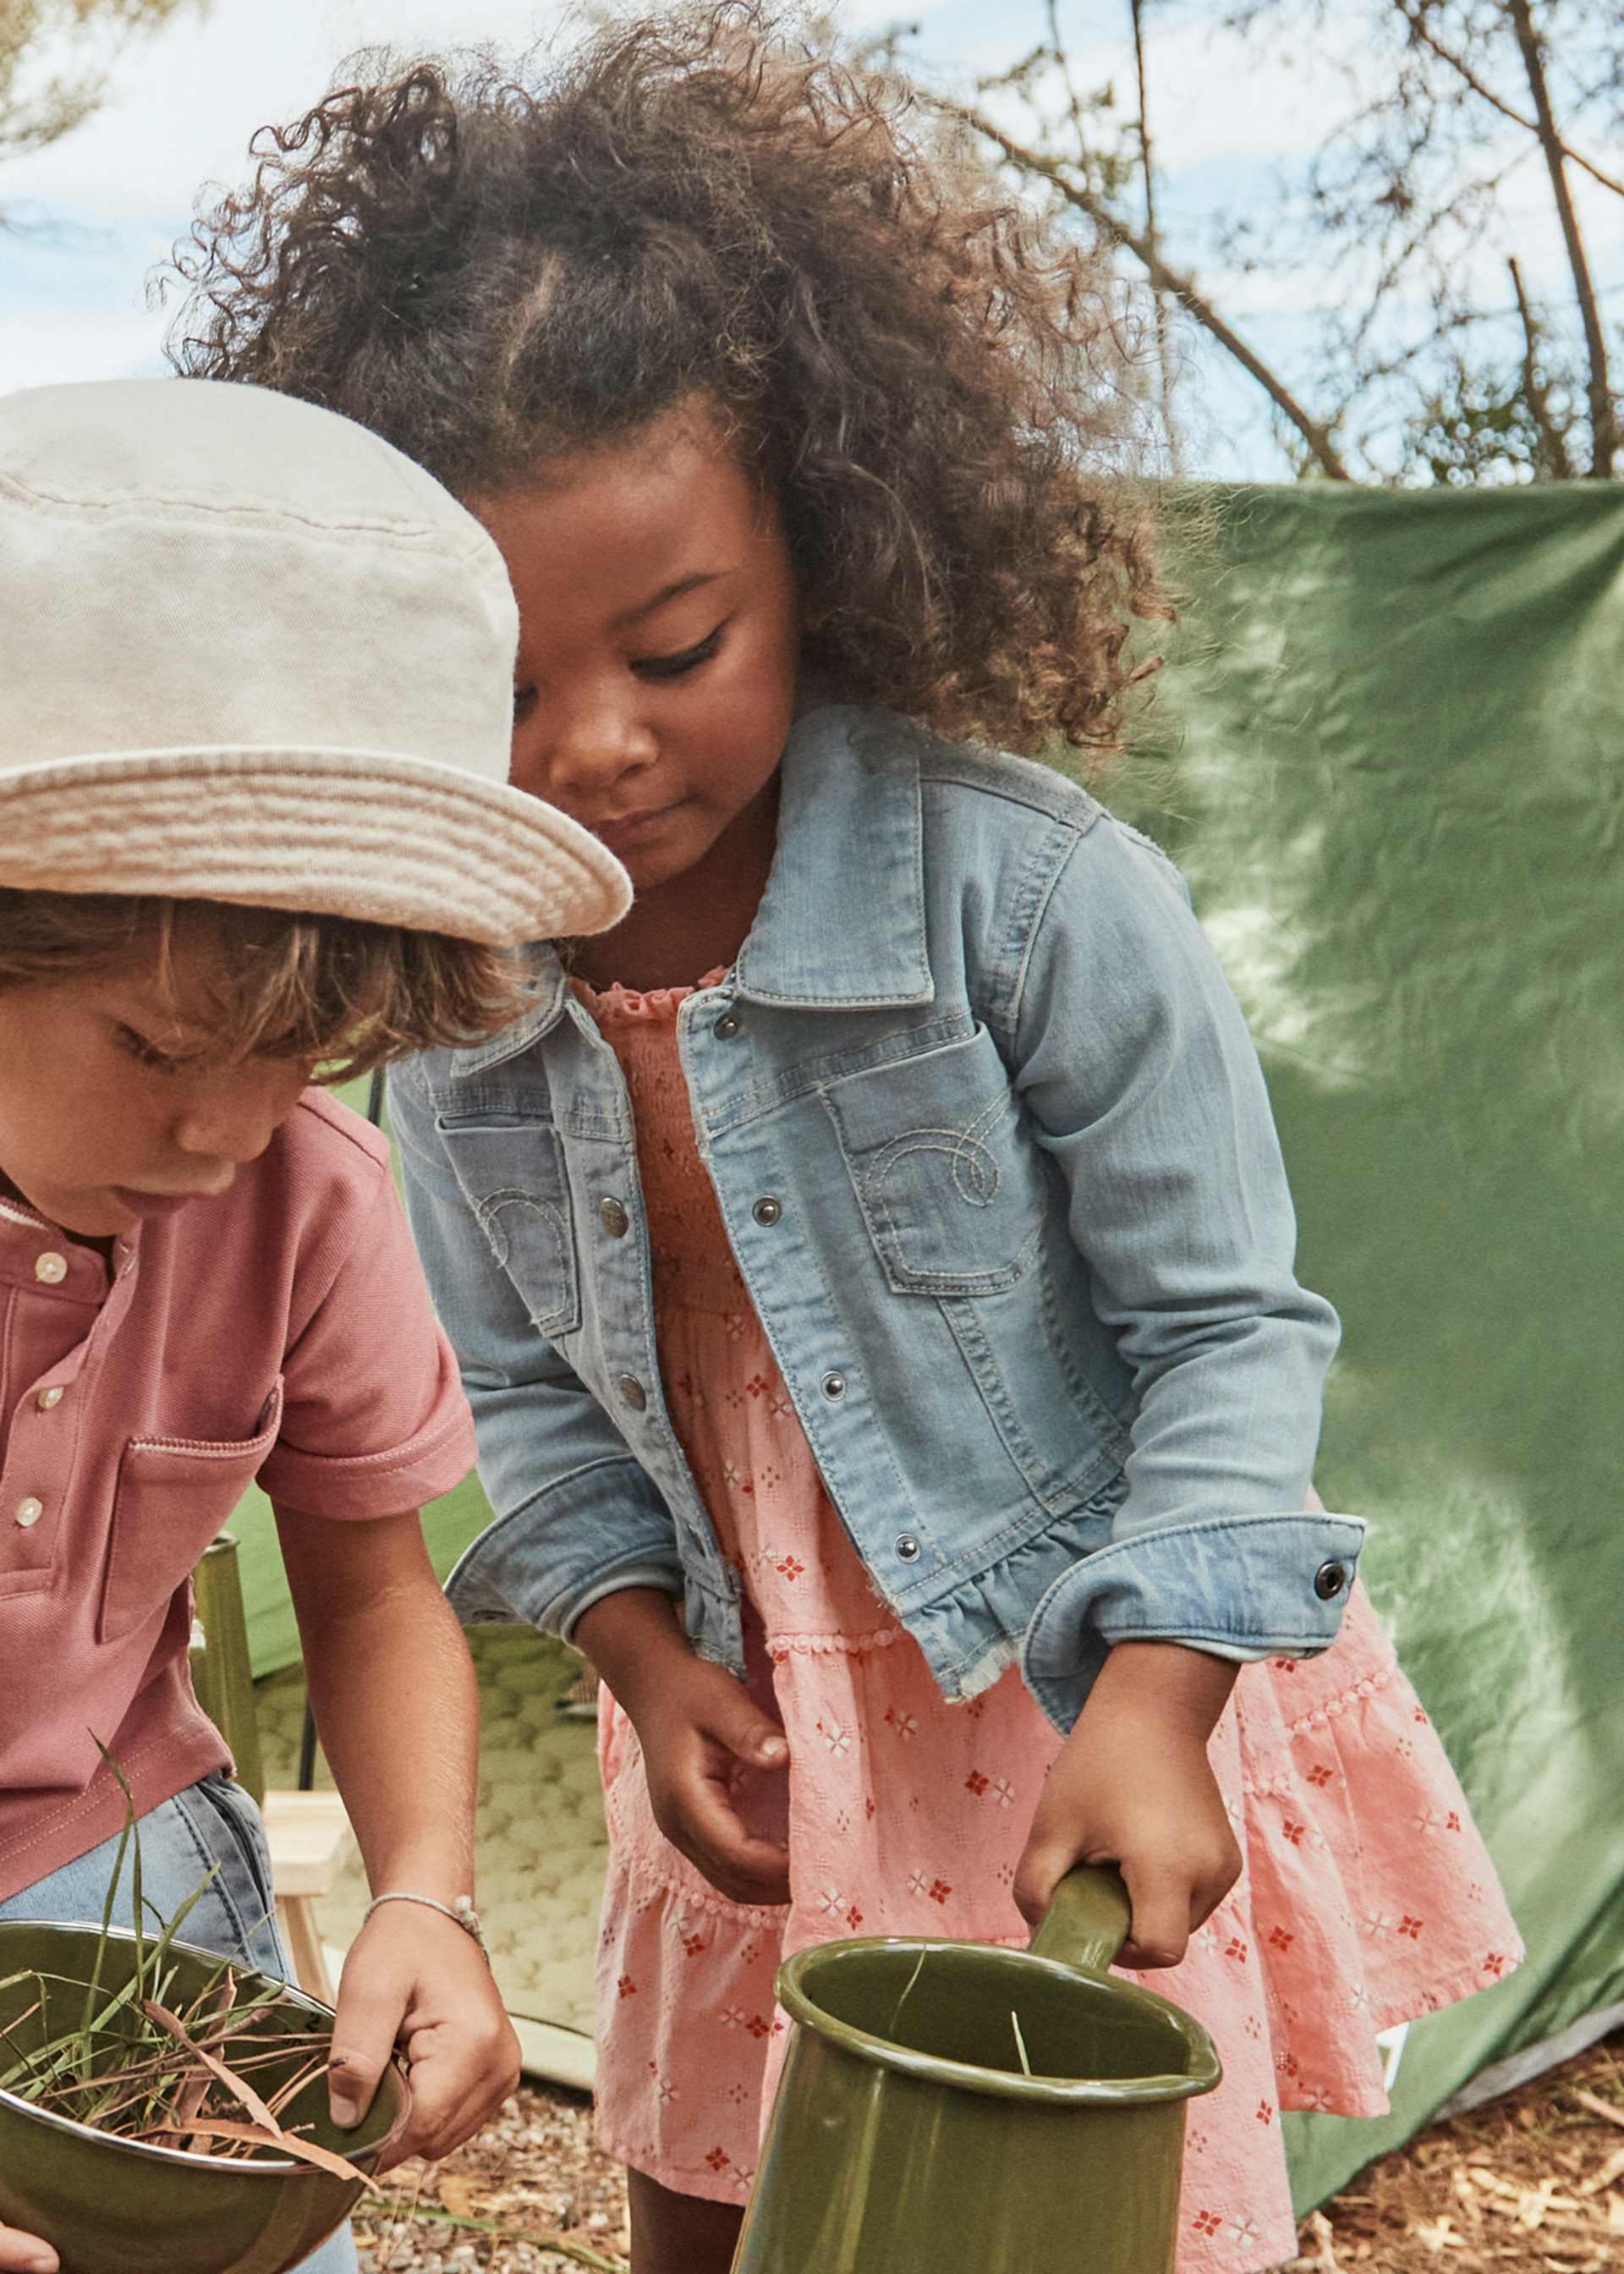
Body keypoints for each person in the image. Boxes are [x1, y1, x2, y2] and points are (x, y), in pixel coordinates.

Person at [173, 14, 1522, 2270]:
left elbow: (1227, 1339)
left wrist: (1163, 1699)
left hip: (1067, 1702)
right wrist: (628, 1648)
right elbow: (522, 1387)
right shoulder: (467, 987)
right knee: (712, 2200)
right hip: (749, 1709)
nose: (594, 744)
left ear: (821, 542)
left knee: (1074, 2222)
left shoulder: (1036, 901)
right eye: (500, 682)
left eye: (677, 643)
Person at [0, 376, 630, 2274]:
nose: (213, 1135)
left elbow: (373, 1593)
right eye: (158, 1050)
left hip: (123, 1870)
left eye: (292, 1064)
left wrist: (429, 1892)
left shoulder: (314, 1199)